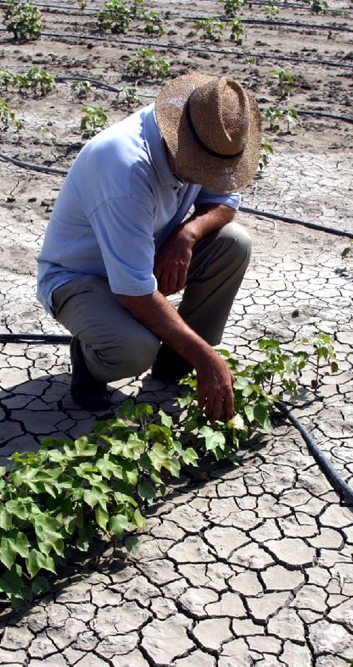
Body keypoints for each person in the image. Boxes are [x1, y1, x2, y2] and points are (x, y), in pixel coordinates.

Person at [36, 73, 261, 422]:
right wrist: (208, 359)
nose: (210, 177)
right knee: (133, 350)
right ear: (179, 143)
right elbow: (135, 292)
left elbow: (225, 202)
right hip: (81, 277)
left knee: (234, 243)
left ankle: (176, 360)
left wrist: (186, 235)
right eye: (205, 169)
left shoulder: (207, 131)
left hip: (145, 254)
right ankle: (89, 361)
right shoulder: (124, 169)